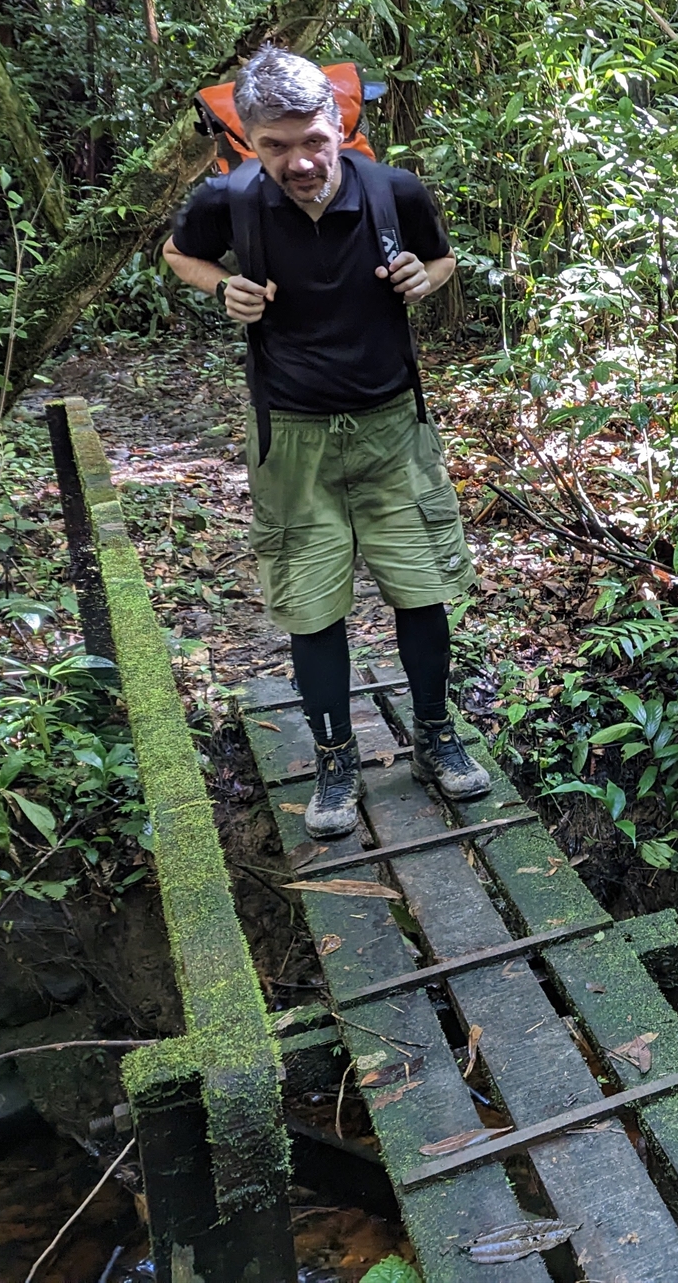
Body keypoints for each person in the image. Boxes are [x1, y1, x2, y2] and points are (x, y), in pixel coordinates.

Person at [162, 45, 490, 839]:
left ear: (338, 121)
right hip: (292, 434)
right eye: (275, 146)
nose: (300, 163)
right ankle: (335, 759)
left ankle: (437, 737)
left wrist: (427, 276)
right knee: (312, 605)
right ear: (249, 139)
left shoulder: (393, 190)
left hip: (390, 428)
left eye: (312, 140)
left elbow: (444, 257)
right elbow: (178, 253)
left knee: (421, 589)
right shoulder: (229, 199)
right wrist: (222, 286)